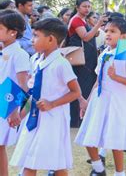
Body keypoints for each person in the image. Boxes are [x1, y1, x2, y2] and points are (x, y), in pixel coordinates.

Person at [11, 18, 81, 176]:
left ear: (50, 39)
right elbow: (32, 93)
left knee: (53, 162)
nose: (31, 39)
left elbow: (75, 92)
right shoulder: (35, 61)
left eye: (36, 35)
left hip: (52, 120)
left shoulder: (61, 64)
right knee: (34, 160)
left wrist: (52, 103)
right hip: (33, 120)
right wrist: (20, 115)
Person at [75, 18, 126, 176]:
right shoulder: (104, 53)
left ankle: (120, 172)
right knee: (89, 136)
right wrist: (87, 102)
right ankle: (98, 168)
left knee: (115, 140)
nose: (108, 34)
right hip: (100, 101)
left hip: (117, 102)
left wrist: (116, 76)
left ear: (123, 36)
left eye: (113, 31)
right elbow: (98, 81)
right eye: (107, 31)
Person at [67, 0, 107, 128]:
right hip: (80, 61)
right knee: (81, 87)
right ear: (77, 7)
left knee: (86, 87)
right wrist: (98, 24)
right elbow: (85, 37)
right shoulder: (76, 20)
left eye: (89, 6)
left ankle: (81, 117)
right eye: (84, 6)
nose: (87, 9)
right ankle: (76, 119)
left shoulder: (83, 20)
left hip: (88, 60)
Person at [0, 10, 29, 176]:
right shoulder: (4, 50)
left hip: (6, 102)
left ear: (13, 32)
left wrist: (16, 110)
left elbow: (23, 86)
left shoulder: (19, 54)